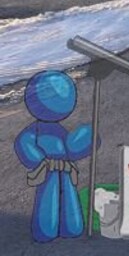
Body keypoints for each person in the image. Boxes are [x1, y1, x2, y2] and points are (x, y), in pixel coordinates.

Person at [14, 70, 94, 242]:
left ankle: (71, 226)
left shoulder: (59, 131)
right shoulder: (34, 130)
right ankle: (46, 230)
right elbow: (25, 142)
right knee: (49, 197)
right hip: (49, 170)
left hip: (64, 169)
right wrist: (39, 158)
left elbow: (70, 146)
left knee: (68, 197)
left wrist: (86, 137)